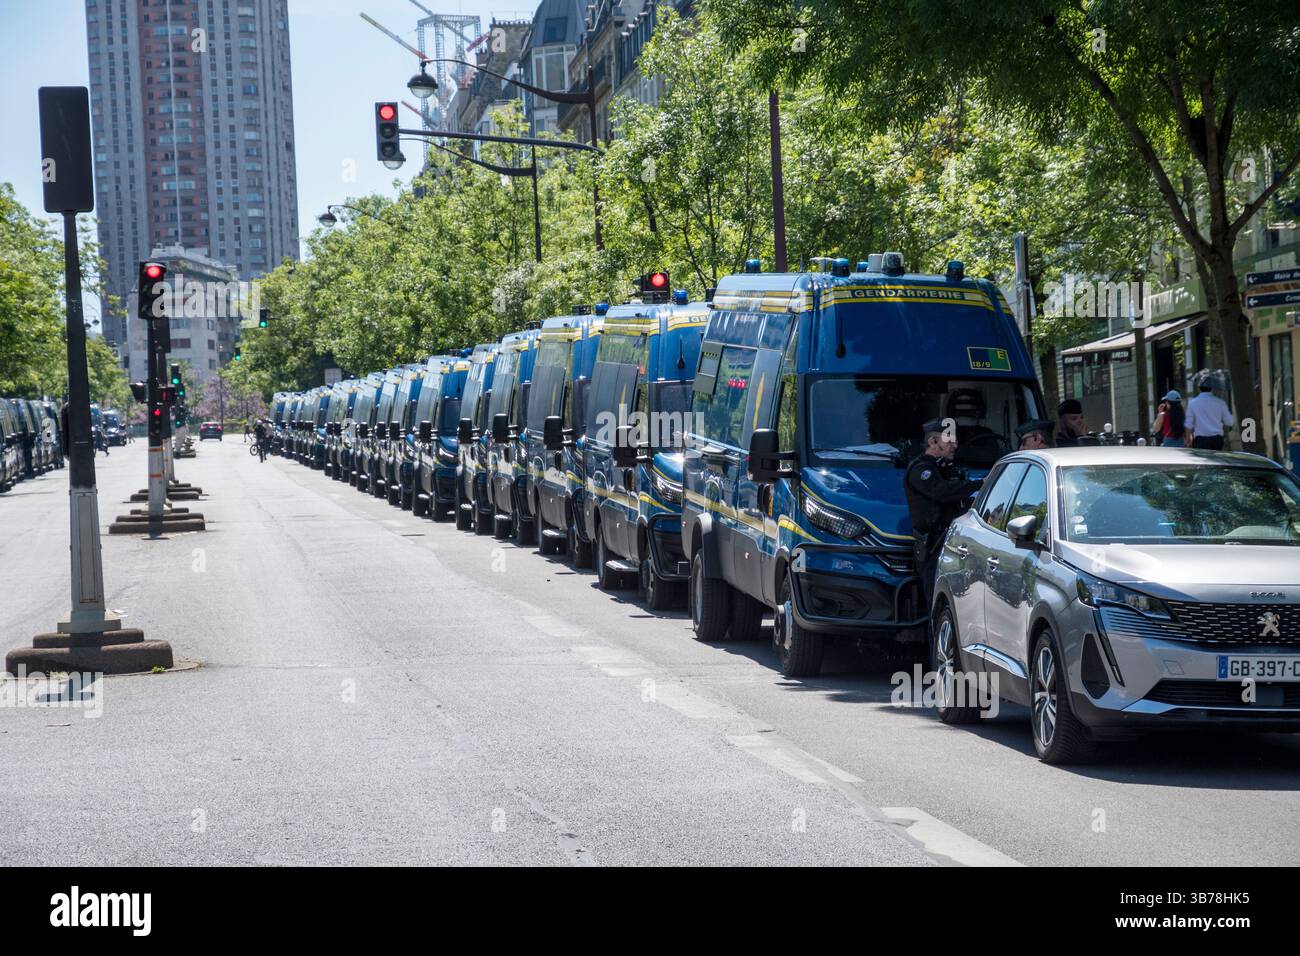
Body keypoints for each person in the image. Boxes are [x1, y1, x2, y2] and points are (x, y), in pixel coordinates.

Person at [905, 419, 984, 609]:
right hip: (934, 546)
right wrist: (979, 484)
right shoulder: (921, 469)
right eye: (949, 440)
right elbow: (941, 491)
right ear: (933, 442)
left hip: (953, 545)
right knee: (936, 604)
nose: (955, 445)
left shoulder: (947, 469)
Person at [1185, 379, 1234, 450]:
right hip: (1217, 440)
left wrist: (1188, 441)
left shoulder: (1192, 403)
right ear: (1211, 388)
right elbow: (1230, 422)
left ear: (1199, 388)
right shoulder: (1220, 403)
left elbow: (1188, 424)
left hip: (1200, 440)